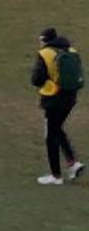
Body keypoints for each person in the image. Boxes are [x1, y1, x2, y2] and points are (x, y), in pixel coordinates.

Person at [31, 27, 85, 185]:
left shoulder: (45, 54)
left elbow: (36, 79)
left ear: (45, 40)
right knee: (57, 129)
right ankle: (73, 163)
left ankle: (55, 176)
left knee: (51, 135)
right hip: (70, 97)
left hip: (53, 98)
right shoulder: (71, 50)